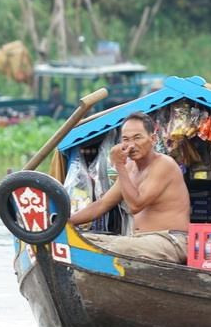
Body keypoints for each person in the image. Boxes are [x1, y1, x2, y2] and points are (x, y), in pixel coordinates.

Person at [70, 111, 190, 263]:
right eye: (126, 139)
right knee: (80, 240)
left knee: (114, 247)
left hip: (171, 241)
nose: (131, 145)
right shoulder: (130, 168)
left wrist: (119, 165)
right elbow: (102, 204)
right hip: (140, 242)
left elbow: (136, 205)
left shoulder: (164, 164)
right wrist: (65, 222)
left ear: (153, 139)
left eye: (137, 138)